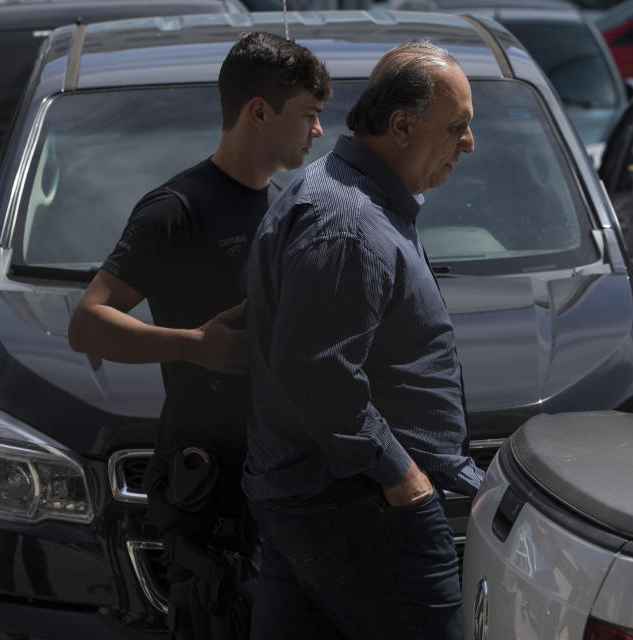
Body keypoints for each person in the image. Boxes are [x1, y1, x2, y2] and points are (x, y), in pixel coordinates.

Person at [68, 32, 330, 639]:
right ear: (259, 111)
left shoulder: (287, 206)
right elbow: (87, 322)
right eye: (308, 116)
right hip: (210, 497)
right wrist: (192, 344)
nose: (317, 132)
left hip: (281, 483)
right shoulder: (176, 209)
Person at [243, 40, 483, 639]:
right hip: (361, 509)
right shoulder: (347, 222)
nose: (469, 144)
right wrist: (402, 474)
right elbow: (316, 373)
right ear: (401, 125)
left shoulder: (354, 200)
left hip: (328, 503)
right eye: (457, 127)